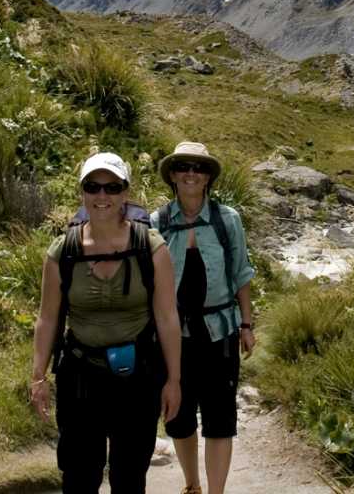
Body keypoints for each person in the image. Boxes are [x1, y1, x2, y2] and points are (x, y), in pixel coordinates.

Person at [31, 152, 183, 494]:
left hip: (139, 378)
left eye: (112, 187)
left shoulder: (151, 248)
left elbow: (167, 316)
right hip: (81, 376)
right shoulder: (62, 252)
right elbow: (47, 317)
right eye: (93, 187)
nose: (103, 197)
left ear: (125, 193)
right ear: (82, 193)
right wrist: (38, 376)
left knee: (129, 476)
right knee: (79, 475)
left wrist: (173, 380)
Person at [152, 142, 256, 494]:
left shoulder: (228, 220)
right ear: (173, 175)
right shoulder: (158, 222)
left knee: (219, 419)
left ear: (208, 176)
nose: (191, 173)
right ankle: (191, 485)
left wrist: (247, 325)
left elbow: (241, 274)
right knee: (179, 419)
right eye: (183, 167)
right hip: (173, 335)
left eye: (198, 168)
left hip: (220, 333)